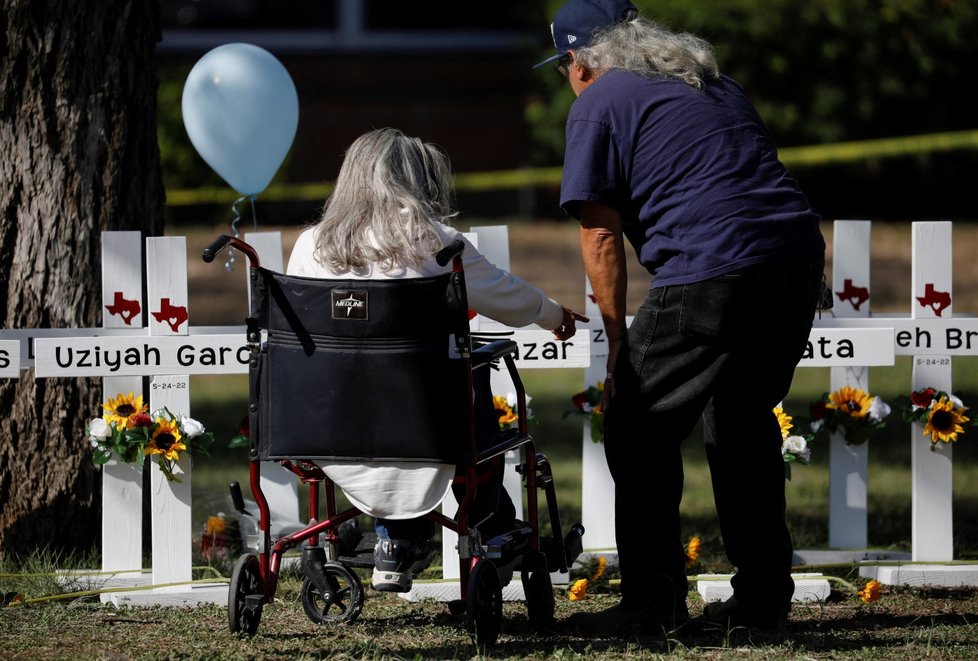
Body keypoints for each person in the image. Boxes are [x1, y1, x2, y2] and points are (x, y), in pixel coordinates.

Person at [535, 0, 827, 633]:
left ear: (578, 60)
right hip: (795, 262)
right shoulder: (713, 83)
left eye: (563, 66)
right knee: (743, 424)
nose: (567, 79)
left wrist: (618, 346)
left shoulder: (599, 100)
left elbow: (599, 231)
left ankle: (651, 603)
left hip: (713, 267)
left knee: (637, 428)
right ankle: (762, 600)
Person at [286, 127, 588, 593]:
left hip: (332, 417)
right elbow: (506, 296)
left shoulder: (312, 245)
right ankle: (490, 521)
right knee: (471, 380)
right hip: (425, 417)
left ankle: (397, 540)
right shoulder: (436, 242)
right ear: (415, 180)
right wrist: (553, 314)